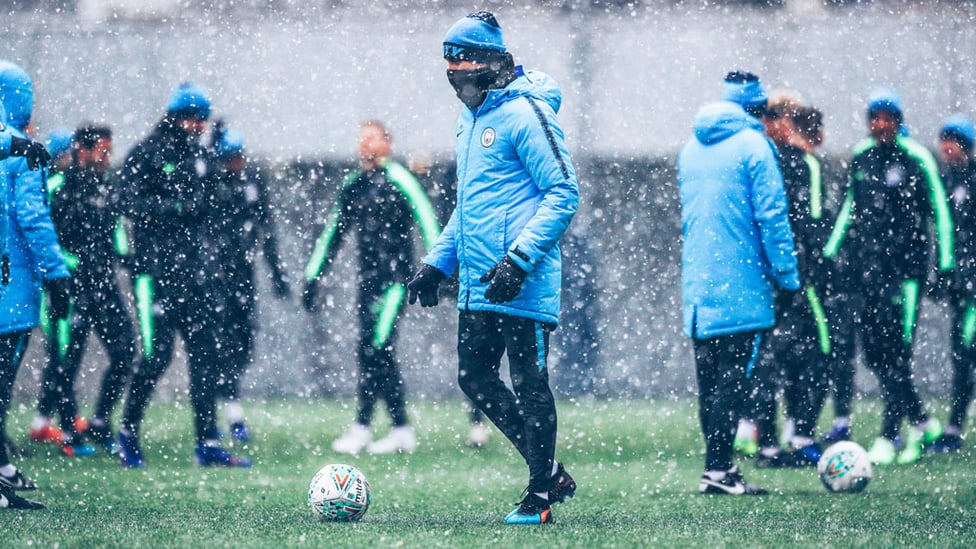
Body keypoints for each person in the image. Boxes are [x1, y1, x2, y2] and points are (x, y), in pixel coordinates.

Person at [407, 11, 579, 524]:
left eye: (462, 60)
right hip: (480, 282)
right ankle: (548, 471)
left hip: (520, 280)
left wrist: (519, 260)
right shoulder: (470, 118)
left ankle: (539, 497)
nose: (455, 71)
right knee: (475, 378)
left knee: (529, 382)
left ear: (491, 61)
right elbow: (472, 207)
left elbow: (563, 193)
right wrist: (438, 263)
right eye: (449, 62)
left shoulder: (527, 114)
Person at [678, 71, 799, 495]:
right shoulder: (755, 147)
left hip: (698, 290)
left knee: (709, 382)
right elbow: (772, 217)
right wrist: (787, 277)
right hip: (743, 289)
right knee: (735, 379)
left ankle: (715, 468)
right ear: (759, 109)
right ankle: (720, 470)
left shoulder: (691, 147)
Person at [116, 82, 250, 468]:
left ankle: (207, 440)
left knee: (205, 358)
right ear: (179, 116)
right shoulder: (148, 152)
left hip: (195, 274)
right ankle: (127, 431)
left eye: (204, 120)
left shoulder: (199, 154)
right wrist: (173, 206)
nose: (199, 126)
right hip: (154, 275)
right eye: (196, 119)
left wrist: (221, 173)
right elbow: (123, 200)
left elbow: (211, 203)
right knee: (156, 358)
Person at [823, 89, 953, 465]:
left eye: (887, 118)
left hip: (906, 276)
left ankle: (890, 434)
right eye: (874, 117)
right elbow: (849, 207)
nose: (880, 125)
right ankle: (921, 420)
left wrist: (943, 266)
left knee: (898, 354)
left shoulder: (916, 159)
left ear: (898, 121)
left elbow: (940, 214)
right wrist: (831, 254)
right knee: (877, 356)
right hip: (868, 274)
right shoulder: (863, 156)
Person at [303, 120, 440, 455]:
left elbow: (428, 222)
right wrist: (313, 277)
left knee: (376, 349)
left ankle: (364, 426)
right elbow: (332, 235)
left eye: (371, 138)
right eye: (361, 138)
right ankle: (400, 429)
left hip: (397, 282)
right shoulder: (353, 186)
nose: (364, 144)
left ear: (388, 144)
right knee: (371, 352)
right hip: (367, 283)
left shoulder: (401, 180)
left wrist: (439, 270)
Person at [37, 124, 138, 456]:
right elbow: (42, 238)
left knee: (124, 353)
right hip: (69, 289)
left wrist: (131, 260)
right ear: (82, 149)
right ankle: (68, 431)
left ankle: (99, 421)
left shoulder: (107, 189)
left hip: (104, 288)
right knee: (66, 360)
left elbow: (116, 235)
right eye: (102, 151)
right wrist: (68, 265)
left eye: (110, 152)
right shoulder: (57, 188)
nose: (106, 158)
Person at [750, 98, 832, 468]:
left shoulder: (763, 161)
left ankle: (770, 444)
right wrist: (810, 271)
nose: (773, 124)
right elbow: (814, 223)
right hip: (797, 280)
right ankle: (798, 437)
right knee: (817, 355)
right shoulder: (803, 164)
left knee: (768, 360)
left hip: (766, 277)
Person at [0, 61, 63, 511]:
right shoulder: (20, 150)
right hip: (11, 278)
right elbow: (33, 217)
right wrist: (56, 273)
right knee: (2, 378)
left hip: (10, 276)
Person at [209, 125, 290, 441]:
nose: (237, 164)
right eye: (231, 158)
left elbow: (265, 229)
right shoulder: (212, 184)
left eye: (240, 157)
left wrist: (276, 273)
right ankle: (224, 413)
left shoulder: (253, 182)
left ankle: (230, 403)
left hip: (243, 277)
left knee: (242, 345)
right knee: (218, 348)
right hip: (214, 279)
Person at [28, 127, 77, 448]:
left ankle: (46, 420)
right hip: (53, 283)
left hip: (55, 280)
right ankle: (57, 421)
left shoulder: (56, 184)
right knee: (60, 354)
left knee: (61, 355)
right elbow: (49, 238)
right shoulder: (56, 187)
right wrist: (70, 263)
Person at [929, 114, 976, 453]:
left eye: (953, 139)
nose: (947, 146)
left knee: (965, 350)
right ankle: (954, 426)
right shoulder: (945, 180)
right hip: (960, 285)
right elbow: (943, 234)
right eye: (944, 138)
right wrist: (942, 274)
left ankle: (955, 424)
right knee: (960, 352)